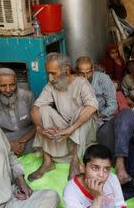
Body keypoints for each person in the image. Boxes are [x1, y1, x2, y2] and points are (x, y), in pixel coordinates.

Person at [29, 53, 98, 181]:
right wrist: (39, 128)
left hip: (84, 131)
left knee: (83, 110)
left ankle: (75, 161)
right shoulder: (51, 85)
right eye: (48, 73)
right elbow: (35, 108)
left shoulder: (81, 83)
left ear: (66, 71)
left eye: (53, 73)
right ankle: (47, 161)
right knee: (43, 109)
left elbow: (92, 107)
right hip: (65, 129)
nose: (50, 78)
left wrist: (71, 129)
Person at [64, 144, 134, 208]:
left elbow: (119, 205)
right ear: (82, 168)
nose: (101, 174)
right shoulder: (71, 192)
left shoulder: (112, 178)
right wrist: (97, 198)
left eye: (106, 169)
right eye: (95, 168)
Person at [0, 67, 36, 156]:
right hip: (5, 138)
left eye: (12, 85)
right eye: (3, 86)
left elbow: (37, 125)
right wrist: (10, 144)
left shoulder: (27, 96)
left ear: (16, 83)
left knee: (44, 139)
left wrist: (23, 140)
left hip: (28, 135)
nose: (8, 90)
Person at [75, 56, 117, 129]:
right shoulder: (74, 82)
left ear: (93, 69)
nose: (85, 77)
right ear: (77, 72)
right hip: (82, 119)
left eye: (88, 73)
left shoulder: (103, 79)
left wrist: (98, 115)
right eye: (82, 73)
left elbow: (113, 105)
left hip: (103, 119)